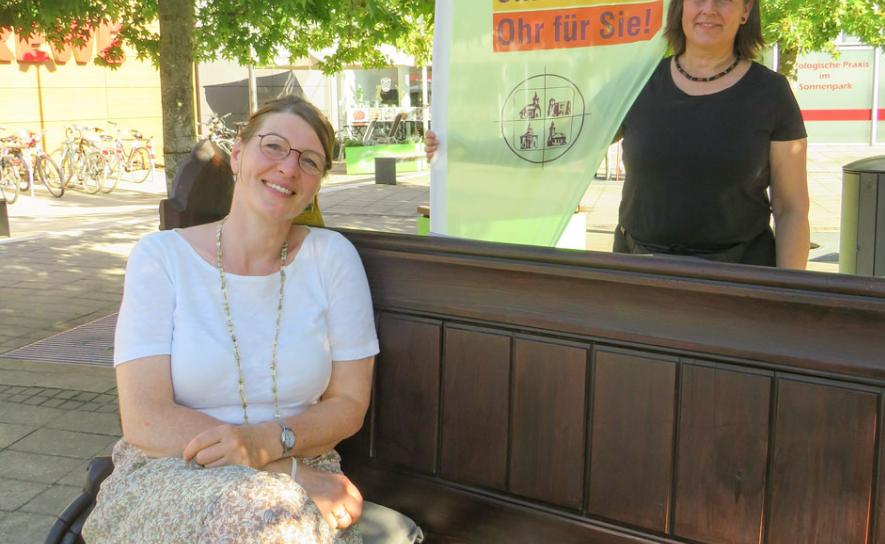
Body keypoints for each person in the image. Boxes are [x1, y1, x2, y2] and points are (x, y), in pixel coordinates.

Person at [83, 96, 419, 544]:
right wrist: (275, 462)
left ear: (317, 183)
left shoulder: (332, 258)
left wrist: (277, 454)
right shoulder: (160, 258)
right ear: (238, 155)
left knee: (273, 520)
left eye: (310, 160)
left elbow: (348, 404)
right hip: (171, 465)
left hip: (307, 465)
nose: (288, 167)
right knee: (268, 519)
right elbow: (145, 418)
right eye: (275, 146)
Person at [426, 0, 809, 269]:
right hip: (639, 274)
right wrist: (462, 147)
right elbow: (556, 143)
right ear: (680, 7)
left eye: (725, 0)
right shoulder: (638, 81)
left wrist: (788, 297)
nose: (708, 8)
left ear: (746, 10)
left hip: (737, 279)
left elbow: (791, 209)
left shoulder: (771, 93)